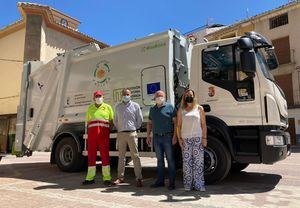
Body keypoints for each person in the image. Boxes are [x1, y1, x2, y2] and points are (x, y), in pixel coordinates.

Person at [177, 89, 207, 191]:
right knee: (187, 163)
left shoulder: (199, 109)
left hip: (198, 138)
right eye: (186, 95)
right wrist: (179, 139)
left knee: (198, 163)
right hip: (185, 139)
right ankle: (188, 185)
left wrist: (204, 138)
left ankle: (199, 185)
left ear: (194, 96)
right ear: (184, 98)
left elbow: (203, 125)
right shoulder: (181, 110)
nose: (188, 97)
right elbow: (178, 126)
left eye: (190, 95)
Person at [146, 90, 177, 190]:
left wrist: (175, 136)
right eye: (157, 96)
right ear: (154, 98)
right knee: (159, 160)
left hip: (167, 137)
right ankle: (160, 181)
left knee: (170, 160)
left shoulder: (170, 107)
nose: (159, 97)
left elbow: (176, 123)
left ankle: (172, 182)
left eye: (161, 96)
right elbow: (149, 123)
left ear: (164, 97)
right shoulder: (152, 109)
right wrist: (147, 136)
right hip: (156, 137)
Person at [82, 90, 114, 186]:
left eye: (100, 96)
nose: (98, 98)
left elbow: (111, 122)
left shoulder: (108, 107)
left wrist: (106, 131)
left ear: (103, 97)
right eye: (96, 96)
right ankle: (90, 178)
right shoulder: (90, 108)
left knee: (105, 156)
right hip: (92, 137)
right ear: (93, 98)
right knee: (91, 156)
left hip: (103, 136)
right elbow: (88, 123)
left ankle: (107, 178)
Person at [113, 88, 143, 187]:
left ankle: (139, 178)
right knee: (121, 157)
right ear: (122, 95)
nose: (126, 95)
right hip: (121, 134)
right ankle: (120, 178)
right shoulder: (118, 107)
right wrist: (120, 128)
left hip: (132, 133)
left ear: (130, 95)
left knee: (135, 156)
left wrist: (134, 128)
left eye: (127, 94)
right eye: (124, 94)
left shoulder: (135, 106)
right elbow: (115, 120)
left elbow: (140, 119)